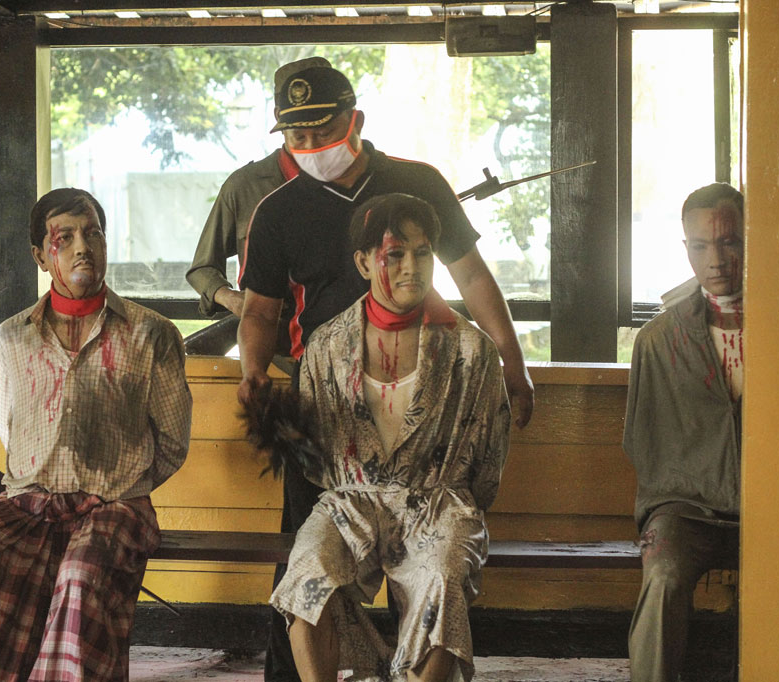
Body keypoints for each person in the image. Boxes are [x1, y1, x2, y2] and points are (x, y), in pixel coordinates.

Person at [238, 65, 533, 682]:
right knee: (307, 562)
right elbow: (262, 309)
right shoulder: (276, 210)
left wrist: (510, 357)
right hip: (329, 401)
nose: (313, 146)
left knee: (431, 567)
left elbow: (471, 274)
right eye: (297, 135)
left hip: (428, 391)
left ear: (356, 120)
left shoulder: (416, 184)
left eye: (325, 129)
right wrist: (254, 370)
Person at [0, 188, 192, 681]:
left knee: (81, 577)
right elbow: (13, 432)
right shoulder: (14, 337)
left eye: (92, 234)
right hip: (31, 502)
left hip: (116, 506)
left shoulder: (150, 333)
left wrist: (119, 483)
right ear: (41, 257)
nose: (81, 248)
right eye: (63, 238)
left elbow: (172, 443)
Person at [270, 193, 510, 682]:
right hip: (350, 502)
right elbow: (316, 463)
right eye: (394, 254)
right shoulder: (326, 346)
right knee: (308, 569)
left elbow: (489, 462)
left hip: (439, 502)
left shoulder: (471, 351)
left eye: (423, 253)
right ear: (363, 263)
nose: (411, 267)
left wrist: (454, 502)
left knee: (442, 575)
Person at [623, 183, 745, 682]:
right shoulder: (659, 340)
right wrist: (686, 492)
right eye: (700, 246)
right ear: (686, 249)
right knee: (664, 573)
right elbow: (645, 445)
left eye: (730, 242)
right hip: (688, 510)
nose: (715, 260)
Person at [186, 56, 331, 319]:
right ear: (278, 115)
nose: (311, 142)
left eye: (322, 127)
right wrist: (233, 299)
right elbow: (202, 269)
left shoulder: (355, 182)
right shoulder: (244, 186)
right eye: (299, 129)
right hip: (270, 344)